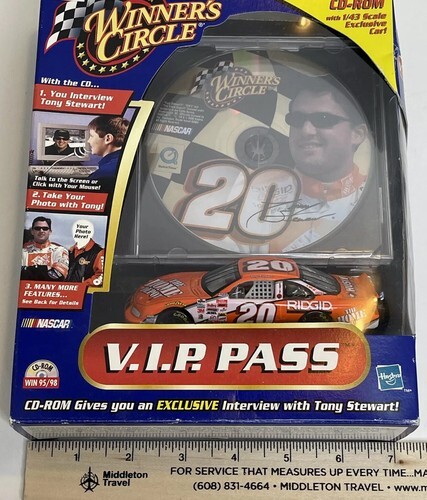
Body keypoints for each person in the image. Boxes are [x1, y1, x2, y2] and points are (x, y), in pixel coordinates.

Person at [87, 115, 129, 190]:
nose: (88, 141)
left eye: (91, 136)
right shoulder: (125, 161)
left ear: (108, 139)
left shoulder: (102, 175)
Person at [21, 217, 69, 281]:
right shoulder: (22, 252)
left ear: (50, 232)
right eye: (37, 228)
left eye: (45, 228)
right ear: (32, 231)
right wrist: (46, 269)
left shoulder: (60, 251)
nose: (41, 231)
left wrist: (28, 270)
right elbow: (17, 274)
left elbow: (58, 275)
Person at [66, 220, 104, 286]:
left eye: (83, 231)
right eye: (77, 231)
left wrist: (82, 286)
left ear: (91, 233)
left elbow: (101, 276)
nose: (79, 234)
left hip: (86, 291)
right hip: (67, 290)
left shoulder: (98, 252)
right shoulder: (69, 251)